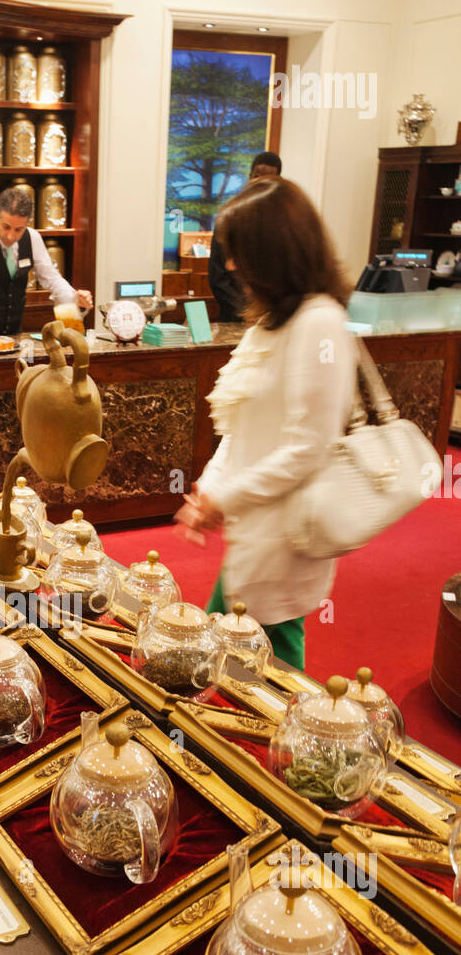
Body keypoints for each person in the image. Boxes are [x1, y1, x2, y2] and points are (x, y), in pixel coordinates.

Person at [187, 177, 356, 669]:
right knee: (224, 648)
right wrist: (211, 488)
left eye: (240, 251)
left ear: (274, 251)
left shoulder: (319, 322)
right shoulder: (273, 321)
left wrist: (226, 496)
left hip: (288, 534)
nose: (233, 264)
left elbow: (311, 447)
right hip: (256, 528)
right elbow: (239, 423)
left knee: (269, 671)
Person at [0, 187, 93, 339]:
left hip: (14, 335)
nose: (10, 236)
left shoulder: (32, 238)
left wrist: (74, 297)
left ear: (27, 223)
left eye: (18, 229)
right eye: (6, 227)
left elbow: (52, 279)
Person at [208, 151, 282, 322]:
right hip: (235, 317)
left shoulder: (281, 221)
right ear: (250, 176)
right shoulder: (229, 215)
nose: (260, 182)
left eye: (268, 178)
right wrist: (245, 313)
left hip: (273, 318)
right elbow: (218, 277)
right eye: (257, 176)